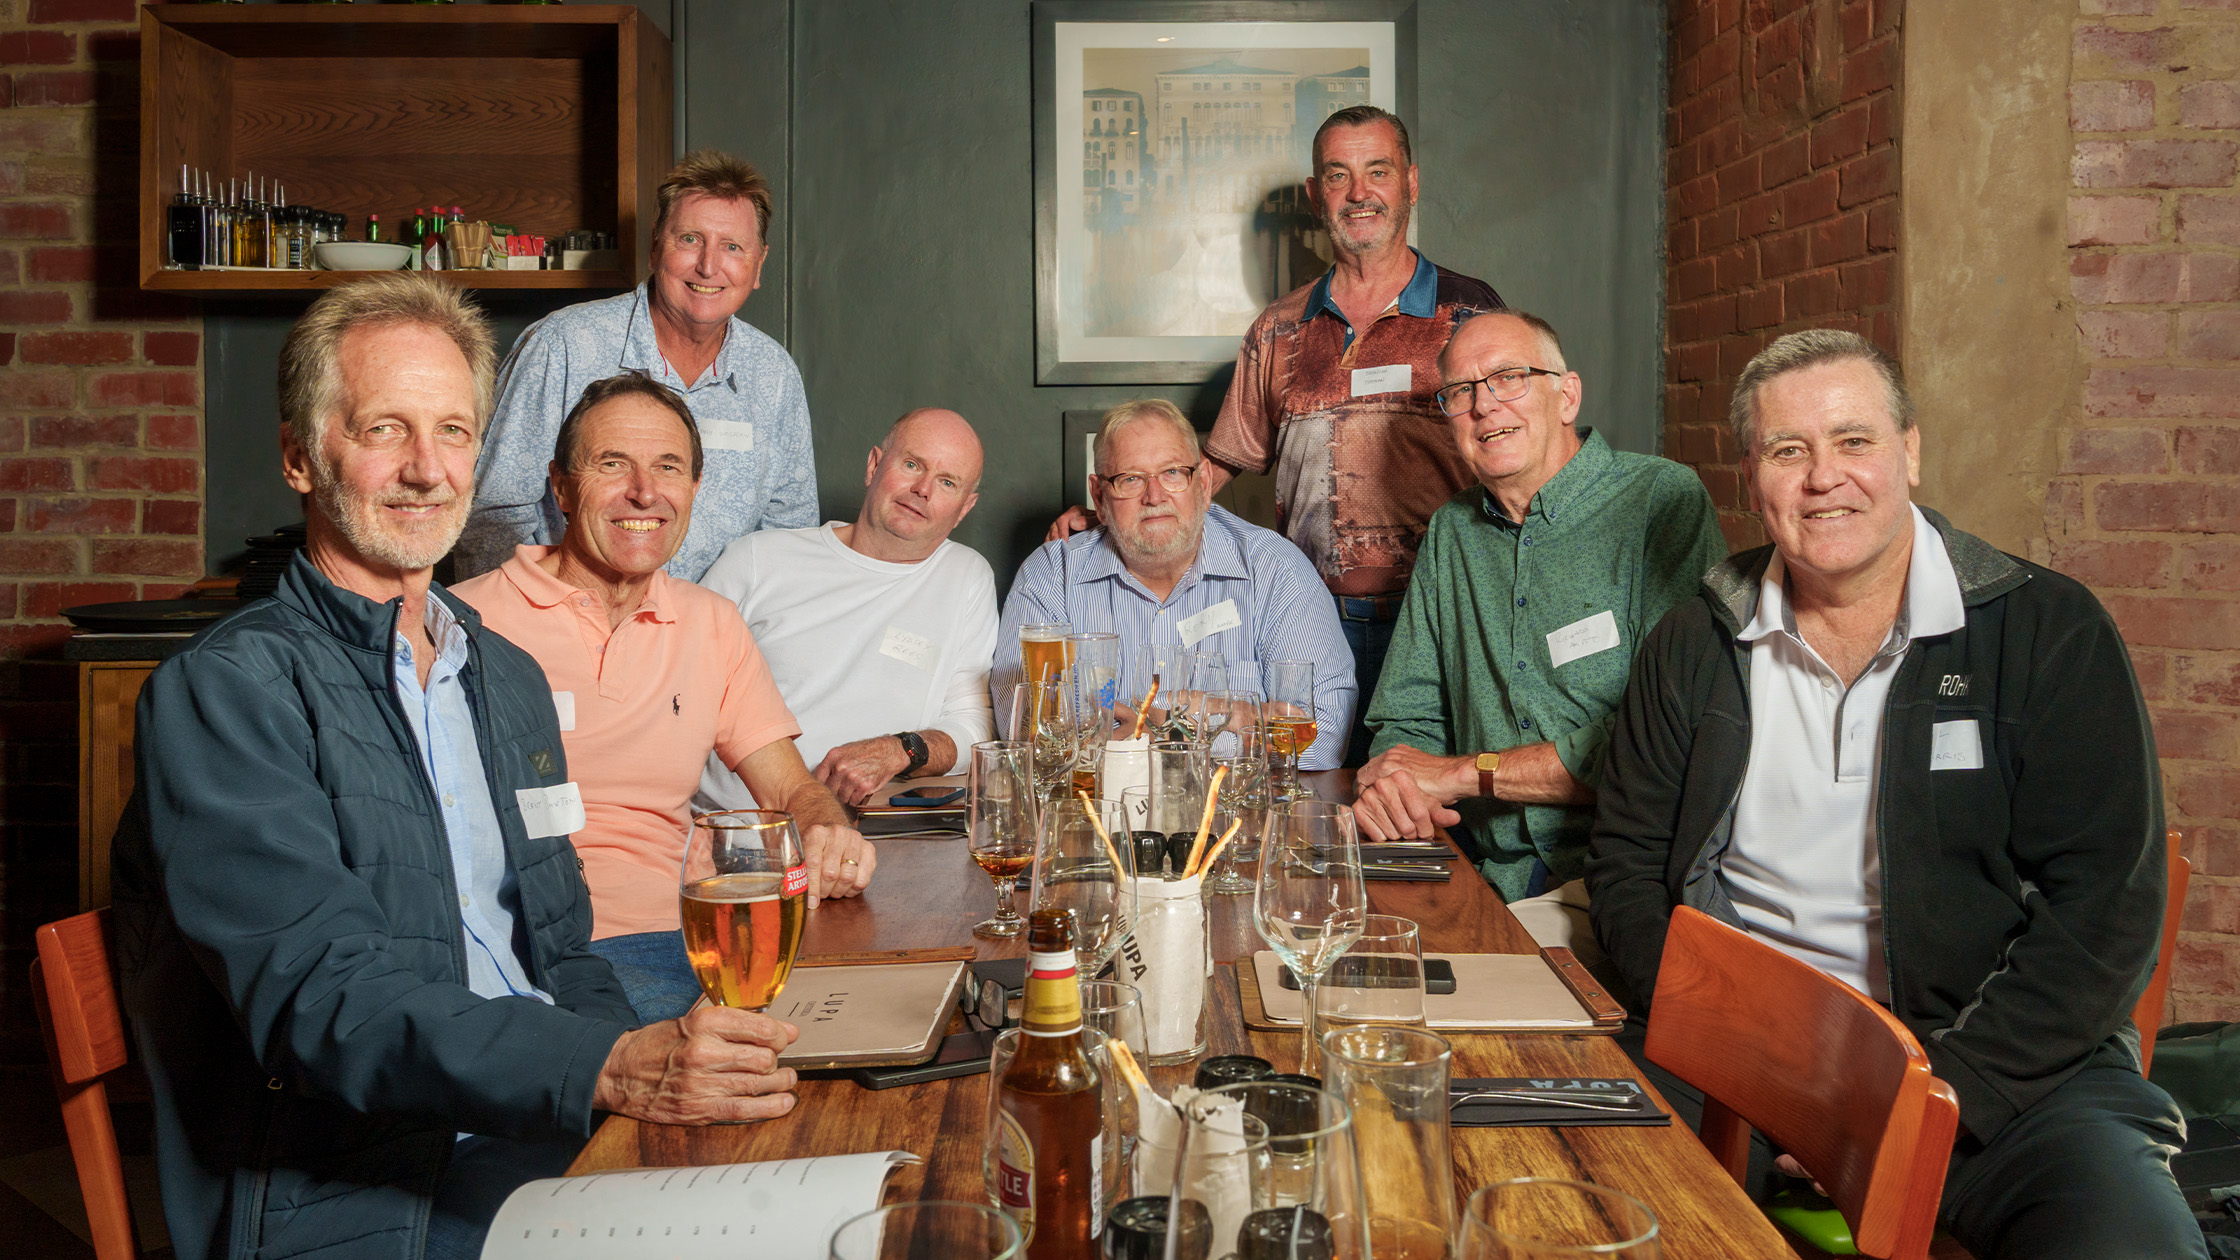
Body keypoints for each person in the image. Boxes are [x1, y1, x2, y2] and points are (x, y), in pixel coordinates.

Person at [112, 276, 810, 1260]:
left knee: (826, 1187)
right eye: (383, 429)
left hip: (540, 1127)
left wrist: (631, 1082)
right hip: (367, 1183)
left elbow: (567, 952)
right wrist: (606, 1068)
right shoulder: (227, 690)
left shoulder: (502, 674)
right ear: (300, 457)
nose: (425, 469)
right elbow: (326, 1002)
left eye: (452, 432)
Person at [1587, 330, 2200, 1260]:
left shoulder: (2049, 630)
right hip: (1735, 1059)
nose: (1823, 477)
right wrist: (1750, 1055)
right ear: (1751, 477)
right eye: (1788, 451)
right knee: (1566, 1206)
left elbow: (2106, 912)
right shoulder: (1691, 644)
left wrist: (1925, 1097)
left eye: (1854, 441)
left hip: (2003, 1068)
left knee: (2131, 1245)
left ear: (1910, 451)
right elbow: (1627, 872)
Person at [1049, 106, 1503, 762]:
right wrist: (1114, 514)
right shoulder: (1279, 328)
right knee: (1314, 794)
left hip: (1439, 616)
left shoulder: (1471, 312)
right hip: (1312, 621)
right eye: (1338, 176)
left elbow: (1521, 452)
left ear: (1411, 182)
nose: (1360, 193)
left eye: (1377, 171)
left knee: (1420, 799)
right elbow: (1213, 465)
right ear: (1318, 194)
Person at [454, 372, 874, 1024]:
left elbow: (792, 789)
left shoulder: (712, 623)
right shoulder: (464, 624)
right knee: (742, 1061)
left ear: (695, 489)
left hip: (692, 934)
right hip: (536, 944)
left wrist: (827, 830)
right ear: (561, 487)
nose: (645, 491)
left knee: (872, 1024)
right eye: (612, 464)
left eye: (668, 467)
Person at [1352, 310, 1724, 959]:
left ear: (1567, 395)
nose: (1484, 405)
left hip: (1624, 880)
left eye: (1509, 377)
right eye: (1460, 392)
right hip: (1481, 872)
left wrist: (1466, 774)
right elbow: (1405, 720)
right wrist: (1399, 791)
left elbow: (1667, 744)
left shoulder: (1660, 501)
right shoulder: (1451, 533)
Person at [456, 149, 816, 582]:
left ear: (758, 265)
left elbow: (789, 535)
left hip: (716, 619)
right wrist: (526, 618)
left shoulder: (774, 375)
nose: (708, 266)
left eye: (732, 247)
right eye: (690, 239)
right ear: (654, 248)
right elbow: (492, 520)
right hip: (568, 613)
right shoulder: (564, 344)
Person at [999, 399, 1355, 770]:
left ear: (1203, 483)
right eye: (1130, 478)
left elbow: (1324, 736)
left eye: (1172, 472)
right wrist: (1233, 717)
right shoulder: (1050, 576)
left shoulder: (1275, 571)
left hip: (1232, 805)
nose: (1154, 496)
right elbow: (1023, 731)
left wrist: (1164, 733)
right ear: (1100, 498)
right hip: (1099, 803)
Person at [696, 407, 996, 810]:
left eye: (947, 482)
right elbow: (676, 696)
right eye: (912, 465)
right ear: (874, 466)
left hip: (876, 832)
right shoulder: (756, 559)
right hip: (736, 826)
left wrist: (901, 750)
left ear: (964, 508)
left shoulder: (966, 576)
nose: (923, 489)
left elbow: (973, 725)